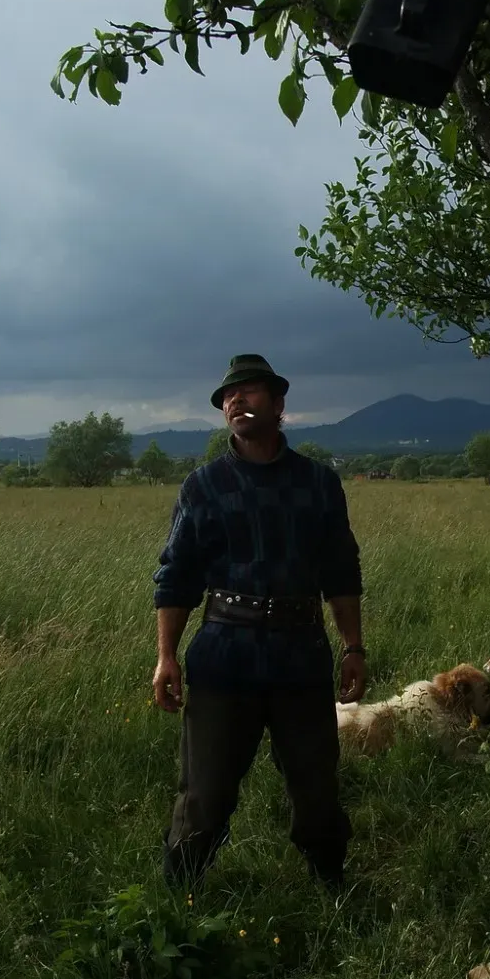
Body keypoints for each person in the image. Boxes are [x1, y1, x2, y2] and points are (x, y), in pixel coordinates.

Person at [151, 353, 368, 890]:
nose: (236, 402)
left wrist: (353, 648)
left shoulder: (319, 484)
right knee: (205, 793)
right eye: (229, 396)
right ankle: (177, 901)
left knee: (315, 787)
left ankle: (333, 890)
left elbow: (342, 571)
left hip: (301, 655)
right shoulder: (202, 487)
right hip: (224, 656)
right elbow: (175, 576)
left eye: (249, 392)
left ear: (278, 405)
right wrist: (165, 656)